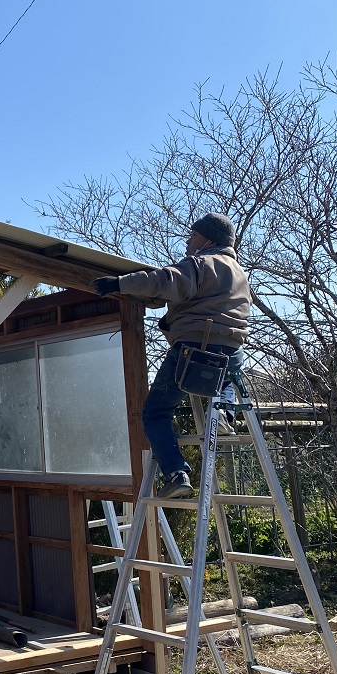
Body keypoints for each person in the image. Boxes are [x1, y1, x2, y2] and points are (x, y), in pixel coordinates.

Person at [90, 212, 251, 498]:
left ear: (209, 239)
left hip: (196, 348)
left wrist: (118, 285)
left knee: (155, 412)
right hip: (232, 351)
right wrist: (168, 320)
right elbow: (199, 302)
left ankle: (177, 473)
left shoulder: (201, 263)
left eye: (193, 235)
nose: (188, 240)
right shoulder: (238, 272)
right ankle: (225, 413)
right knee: (223, 381)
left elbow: (166, 281)